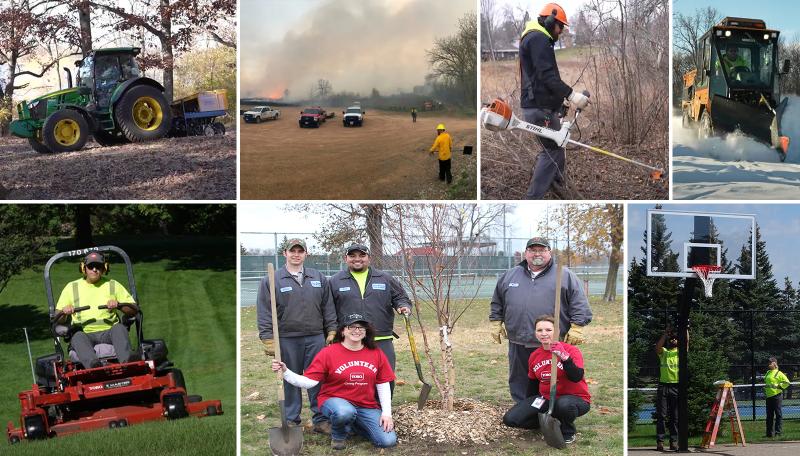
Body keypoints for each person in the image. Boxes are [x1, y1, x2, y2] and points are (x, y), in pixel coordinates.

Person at [271, 313, 397, 451]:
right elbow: (309, 382)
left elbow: (383, 383)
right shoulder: (329, 353)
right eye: (352, 327)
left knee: (387, 441)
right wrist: (286, 371)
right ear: (343, 330)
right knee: (344, 412)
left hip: (365, 405)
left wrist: (386, 413)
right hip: (335, 402)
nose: (357, 330)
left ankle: (353, 424)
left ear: (366, 331)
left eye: (361, 327)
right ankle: (339, 435)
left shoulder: (375, 353)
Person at [489, 237, 592, 403]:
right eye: (532, 250)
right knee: (520, 377)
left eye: (541, 250)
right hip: (519, 340)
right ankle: (524, 407)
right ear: (526, 253)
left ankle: (553, 407)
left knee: (552, 376)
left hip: (550, 341)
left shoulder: (564, 276)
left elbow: (579, 303)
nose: (537, 254)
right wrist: (495, 322)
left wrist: (577, 327)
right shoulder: (510, 275)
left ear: (549, 253)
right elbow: (497, 300)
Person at [257, 238, 338, 434]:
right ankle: (292, 420)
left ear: (306, 254)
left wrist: (332, 329)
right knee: (289, 379)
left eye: (300, 251)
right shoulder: (272, 279)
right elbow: (265, 312)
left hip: (315, 337)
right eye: (292, 251)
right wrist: (268, 338)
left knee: (317, 378)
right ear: (285, 253)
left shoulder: (318, 277)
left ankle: (320, 419)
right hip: (287, 338)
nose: (296, 254)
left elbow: (328, 306)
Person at [519, 3, 590, 199]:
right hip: (538, 107)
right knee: (553, 150)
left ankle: (557, 182)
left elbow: (542, 78)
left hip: (542, 105)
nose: (561, 32)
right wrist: (571, 95)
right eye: (561, 27)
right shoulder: (538, 39)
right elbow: (546, 76)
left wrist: (559, 101)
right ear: (550, 21)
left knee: (559, 145)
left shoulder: (538, 38)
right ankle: (532, 199)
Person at [329, 243, 411, 385]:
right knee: (354, 378)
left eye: (362, 255)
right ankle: (358, 406)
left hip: (381, 336)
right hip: (350, 339)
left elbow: (400, 297)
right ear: (345, 258)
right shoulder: (335, 281)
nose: (357, 259)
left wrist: (403, 306)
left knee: (385, 377)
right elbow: (328, 309)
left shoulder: (384, 278)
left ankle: (383, 406)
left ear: (369, 258)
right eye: (352, 256)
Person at [502, 315, 591, 444]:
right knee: (511, 419)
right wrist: (528, 406)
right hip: (546, 399)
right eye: (539, 330)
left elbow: (576, 377)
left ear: (557, 331)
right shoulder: (534, 356)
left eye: (548, 330)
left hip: (575, 398)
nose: (544, 334)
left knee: (563, 405)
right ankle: (550, 421)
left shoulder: (571, 350)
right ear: (535, 333)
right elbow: (532, 384)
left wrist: (565, 357)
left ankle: (567, 431)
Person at [55, 251, 137, 368]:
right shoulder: (71, 287)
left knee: (119, 328)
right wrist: (64, 312)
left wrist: (119, 305)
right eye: (91, 266)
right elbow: (58, 317)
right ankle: (94, 366)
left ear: (104, 268)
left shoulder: (113, 285)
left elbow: (133, 310)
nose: (94, 269)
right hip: (84, 333)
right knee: (77, 337)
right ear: (84, 268)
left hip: (109, 331)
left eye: (98, 266)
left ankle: (129, 363)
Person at [654, 329, 680, 451]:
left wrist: (685, 330)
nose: (673, 340)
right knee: (661, 416)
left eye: (675, 338)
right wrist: (665, 334)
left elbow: (687, 343)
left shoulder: (680, 353)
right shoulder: (664, 353)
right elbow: (658, 347)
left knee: (675, 417)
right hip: (663, 386)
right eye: (671, 339)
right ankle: (660, 442)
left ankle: (673, 442)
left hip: (676, 386)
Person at [764, 356, 790, 438]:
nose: (769, 364)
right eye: (768, 362)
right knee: (769, 416)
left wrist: (779, 387)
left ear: (774, 363)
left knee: (778, 415)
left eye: (770, 362)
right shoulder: (768, 372)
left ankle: (778, 433)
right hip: (768, 397)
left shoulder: (779, 373)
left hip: (777, 396)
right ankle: (769, 434)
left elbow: (787, 382)